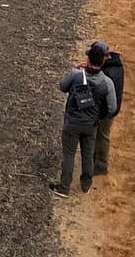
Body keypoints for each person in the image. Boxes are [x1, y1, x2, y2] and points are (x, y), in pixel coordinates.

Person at [49, 44, 118, 198]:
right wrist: (98, 117)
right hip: (91, 125)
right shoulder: (107, 83)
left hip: (72, 123)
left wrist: (76, 69)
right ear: (102, 62)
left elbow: (62, 86)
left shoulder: (76, 75)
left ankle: (64, 187)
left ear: (88, 59)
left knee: (69, 155)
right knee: (87, 155)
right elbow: (112, 107)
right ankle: (86, 185)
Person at [92, 42, 123, 176]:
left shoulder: (108, 73)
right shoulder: (116, 65)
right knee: (102, 134)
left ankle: (100, 165)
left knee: (102, 135)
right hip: (112, 108)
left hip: (107, 111)